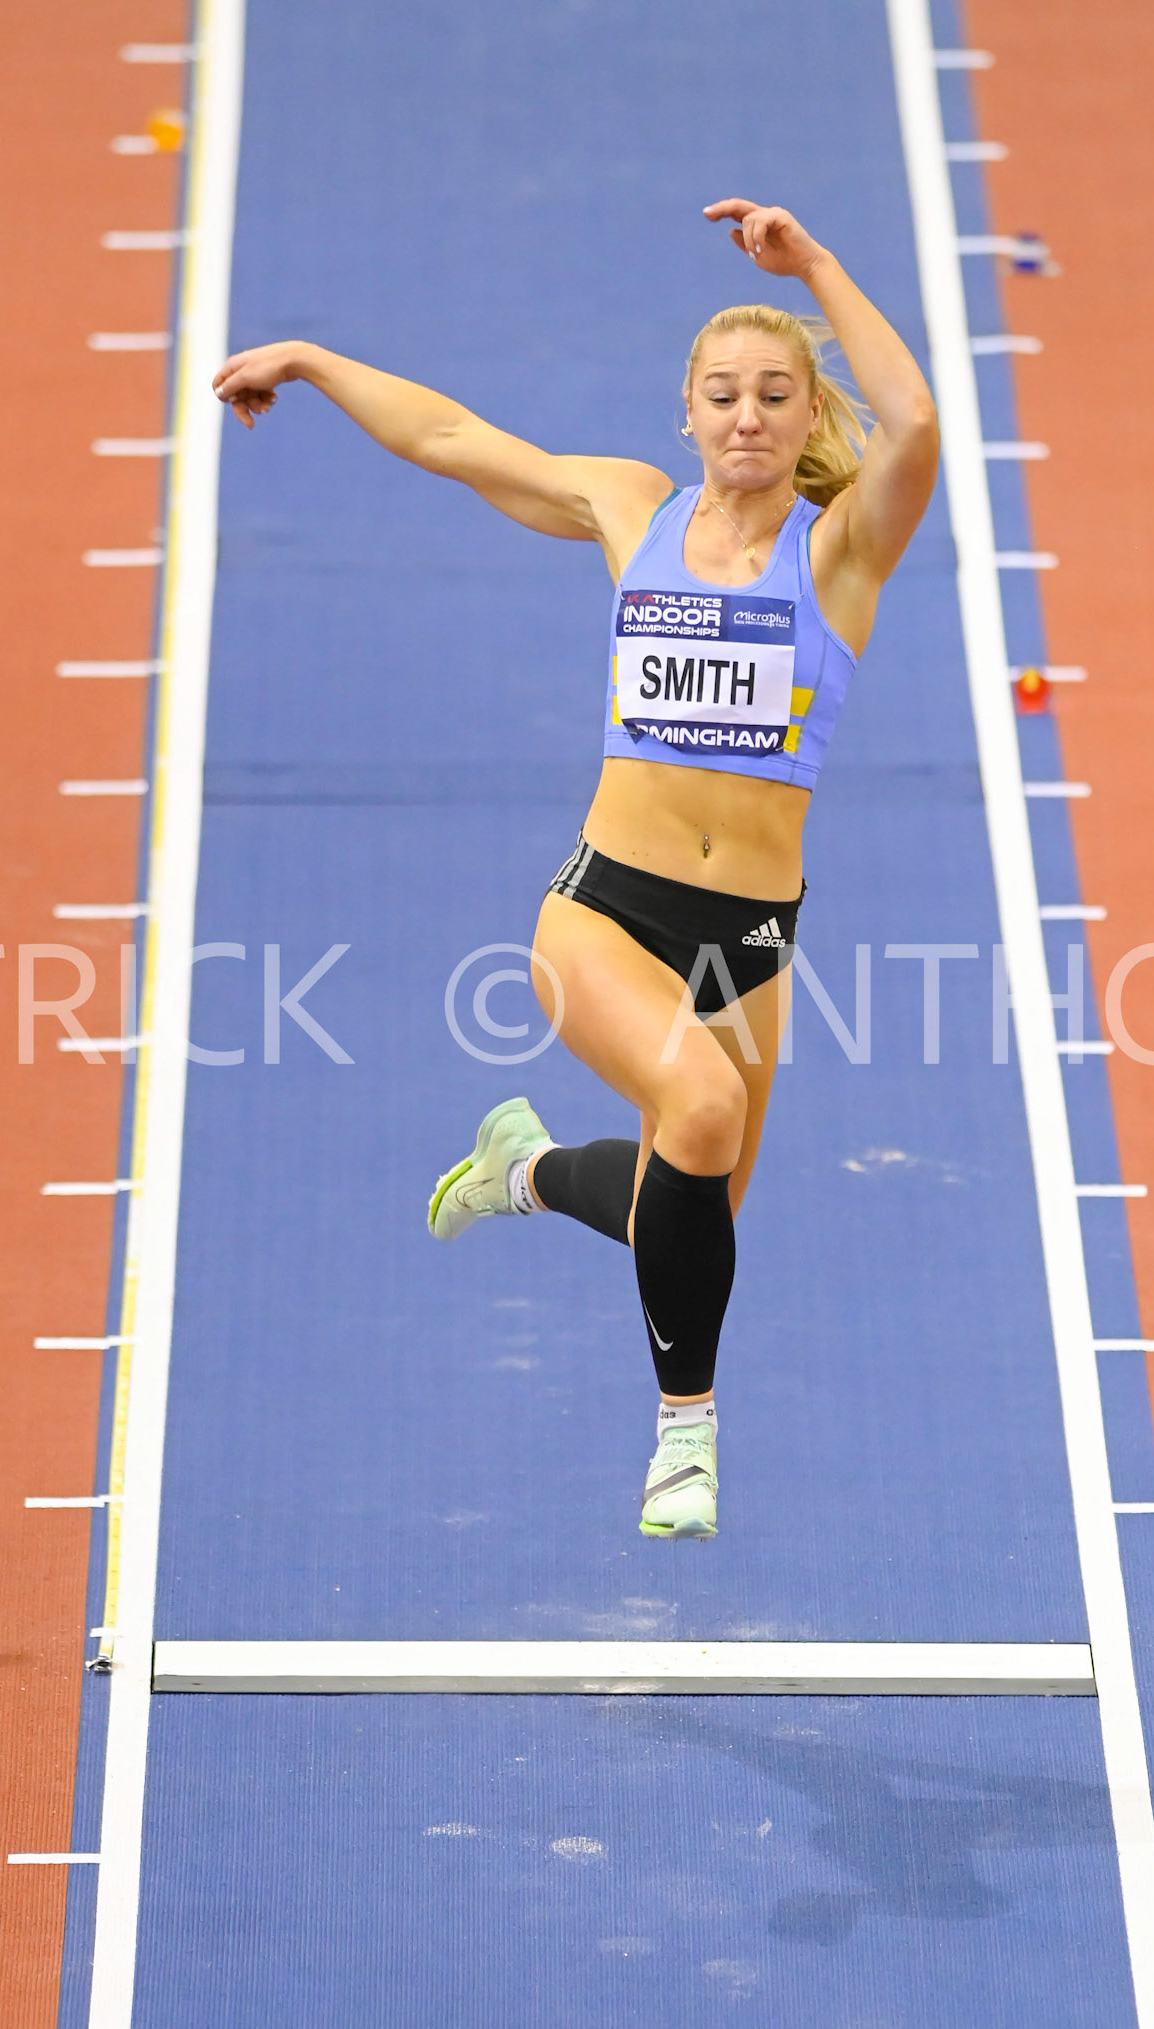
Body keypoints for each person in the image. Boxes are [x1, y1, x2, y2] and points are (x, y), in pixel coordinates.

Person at [211, 198, 939, 1542]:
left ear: (800, 415)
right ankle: (684, 1435)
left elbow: (915, 428)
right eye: (720, 393)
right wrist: (309, 359)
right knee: (703, 1114)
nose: (745, 416)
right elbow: (449, 437)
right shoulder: (628, 509)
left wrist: (814, 267)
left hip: (749, 931)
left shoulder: (838, 555)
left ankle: (524, 1170)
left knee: (696, 1195)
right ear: (685, 413)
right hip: (606, 905)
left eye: (774, 395)